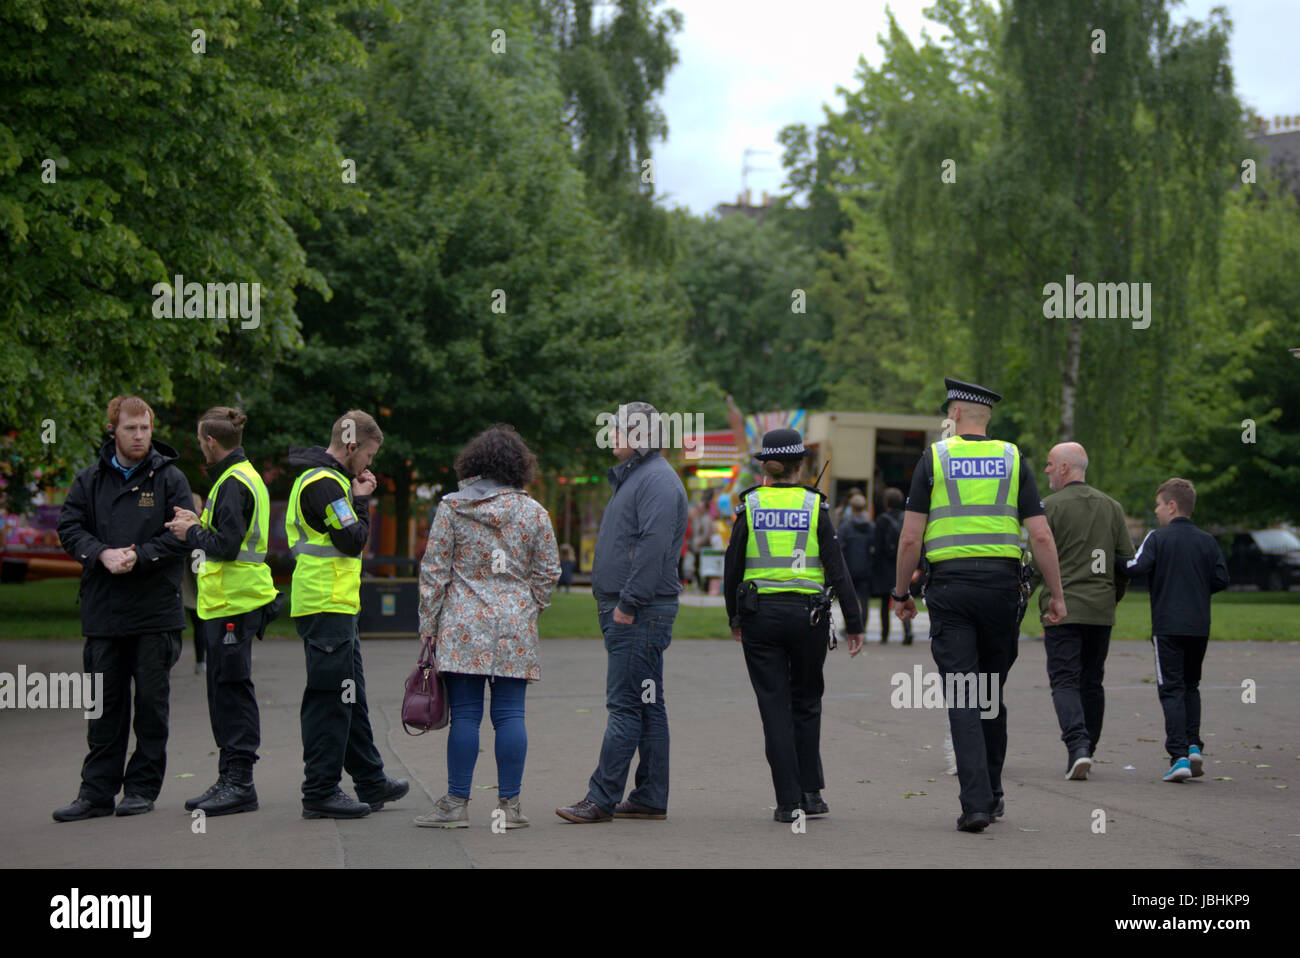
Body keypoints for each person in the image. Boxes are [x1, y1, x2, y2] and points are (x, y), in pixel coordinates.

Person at [892, 379, 1067, 832]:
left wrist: (900, 593)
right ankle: (993, 792)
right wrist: (1057, 596)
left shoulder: (935, 458)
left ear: (953, 415)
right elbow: (1042, 535)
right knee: (990, 689)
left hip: (950, 591)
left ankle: (977, 803)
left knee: (964, 695)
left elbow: (911, 535)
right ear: (986, 418)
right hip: (1002, 591)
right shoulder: (1013, 458)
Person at [53, 395, 194, 821]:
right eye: (131, 429)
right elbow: (69, 527)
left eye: (145, 429)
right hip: (104, 612)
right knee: (103, 708)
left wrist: (142, 555)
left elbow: (184, 533)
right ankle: (95, 794)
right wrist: (101, 554)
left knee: (151, 706)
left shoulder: (170, 479)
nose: (139, 436)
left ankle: (141, 789)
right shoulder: (89, 480)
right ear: (113, 430)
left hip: (154, 612)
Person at [413, 425, 560, 828]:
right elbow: (548, 571)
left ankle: (455, 805)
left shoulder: (452, 508)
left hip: (462, 624)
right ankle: (509, 808)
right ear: (518, 466)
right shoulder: (534, 512)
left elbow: (435, 571)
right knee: (511, 716)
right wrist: (529, 607)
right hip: (514, 626)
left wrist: (429, 623)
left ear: (473, 463)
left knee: (464, 716)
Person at [725, 428, 865, 822]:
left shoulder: (749, 506)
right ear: (800, 465)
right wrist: (854, 622)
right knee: (806, 702)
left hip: (760, 618)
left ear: (767, 468)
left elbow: (732, 567)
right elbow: (837, 569)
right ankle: (812, 793)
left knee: (774, 706)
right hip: (809, 618)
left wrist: (733, 617)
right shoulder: (815, 506)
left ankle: (788, 802)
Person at [556, 402, 687, 823]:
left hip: (640, 612)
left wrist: (628, 604)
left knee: (626, 704)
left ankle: (601, 798)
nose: (610, 434)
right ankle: (650, 795)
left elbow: (651, 547)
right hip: (638, 608)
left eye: (617, 429)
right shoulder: (642, 477)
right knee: (647, 703)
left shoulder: (656, 481)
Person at [286, 409, 408, 819]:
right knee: (329, 701)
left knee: (350, 697)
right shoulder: (326, 486)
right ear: (352, 446)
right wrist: (362, 502)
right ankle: (319, 791)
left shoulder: (330, 481)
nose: (370, 464)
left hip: (335, 605)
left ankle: (371, 780)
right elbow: (352, 540)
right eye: (369, 456)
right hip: (324, 606)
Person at [165, 407, 283, 816]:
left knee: (231, 691)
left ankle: (239, 782)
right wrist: (198, 522)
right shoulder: (241, 476)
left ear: (211, 441)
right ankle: (229, 777)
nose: (201, 448)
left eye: (201, 442)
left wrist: (190, 531)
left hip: (235, 603)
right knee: (225, 689)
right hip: (230, 602)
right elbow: (229, 535)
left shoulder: (233, 482)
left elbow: (226, 545)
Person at [1029, 442, 1132, 780]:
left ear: (1064, 468)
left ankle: (1077, 746)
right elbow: (1123, 563)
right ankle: (1088, 747)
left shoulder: (1048, 508)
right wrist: (1110, 597)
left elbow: (1034, 561)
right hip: (1100, 609)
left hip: (1063, 609)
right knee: (1092, 680)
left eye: (1048, 464)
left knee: (1064, 680)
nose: (1045, 471)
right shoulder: (1112, 508)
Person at [1124, 478, 1229, 782]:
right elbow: (1221, 579)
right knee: (1190, 685)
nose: (1156, 511)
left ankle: (1178, 755)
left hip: (1168, 625)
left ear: (1171, 505)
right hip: (1199, 625)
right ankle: (1194, 744)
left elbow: (1135, 567)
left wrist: (1113, 562)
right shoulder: (1207, 541)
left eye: (1158, 505)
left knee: (1170, 687)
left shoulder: (1158, 538)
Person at [872, 488, 912, 644]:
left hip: (885, 565)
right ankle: (908, 631)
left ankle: (885, 634)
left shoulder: (881, 520)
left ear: (885, 502)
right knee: (903, 596)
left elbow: (877, 545)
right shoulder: (905, 518)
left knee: (884, 602)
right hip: (901, 564)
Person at [837, 493, 874, 642]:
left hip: (850, 568)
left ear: (851, 508)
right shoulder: (871, 526)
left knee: (849, 600)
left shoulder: (845, 527)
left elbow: (840, 548)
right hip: (866, 568)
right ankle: (862, 629)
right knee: (864, 601)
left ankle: (850, 628)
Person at [182, 493, 205, 674]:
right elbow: (198, 564)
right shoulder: (197, 531)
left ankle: (201, 661)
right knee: (200, 625)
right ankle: (201, 661)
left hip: (184, 588)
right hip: (191, 588)